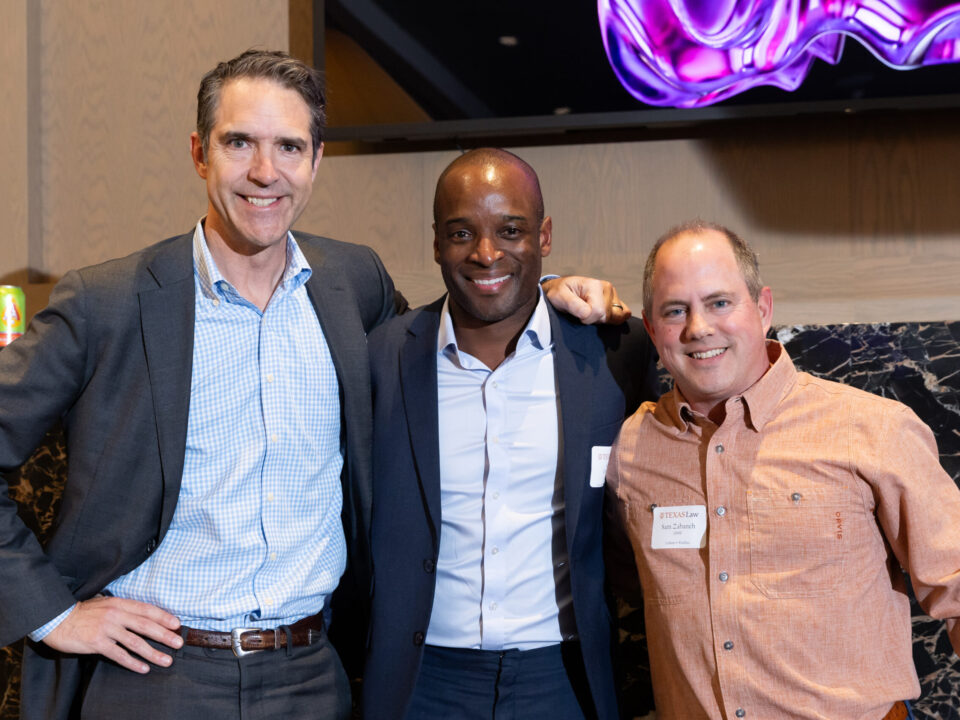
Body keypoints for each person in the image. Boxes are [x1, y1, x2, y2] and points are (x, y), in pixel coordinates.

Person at [0, 51, 620, 720]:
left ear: (316, 161)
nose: (265, 172)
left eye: (289, 147)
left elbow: (461, 320)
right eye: (240, 142)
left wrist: (549, 291)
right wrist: (53, 614)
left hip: (312, 678)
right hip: (155, 676)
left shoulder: (353, 285)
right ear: (199, 153)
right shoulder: (110, 302)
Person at [605, 220, 960, 720]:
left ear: (764, 308)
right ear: (650, 328)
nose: (698, 327)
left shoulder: (873, 428)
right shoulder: (630, 451)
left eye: (719, 302)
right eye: (675, 310)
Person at [363, 148, 660, 720]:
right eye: (460, 233)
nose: (486, 253)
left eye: (511, 230)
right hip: (421, 682)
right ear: (435, 244)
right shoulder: (383, 357)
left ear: (544, 236)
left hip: (564, 678)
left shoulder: (613, 351)